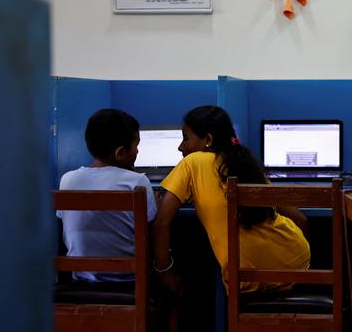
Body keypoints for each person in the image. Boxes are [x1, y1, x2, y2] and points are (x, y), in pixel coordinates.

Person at [153, 106, 310, 294]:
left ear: (208, 140)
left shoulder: (192, 162)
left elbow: (162, 222)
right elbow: (300, 219)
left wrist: (164, 273)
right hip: (295, 260)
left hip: (245, 275)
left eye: (186, 138)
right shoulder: (244, 163)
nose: (181, 146)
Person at [57, 108, 157, 282]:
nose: (138, 152)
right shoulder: (138, 182)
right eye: (136, 145)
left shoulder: (67, 180)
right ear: (120, 153)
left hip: (80, 281)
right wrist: (157, 205)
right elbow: (151, 235)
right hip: (129, 282)